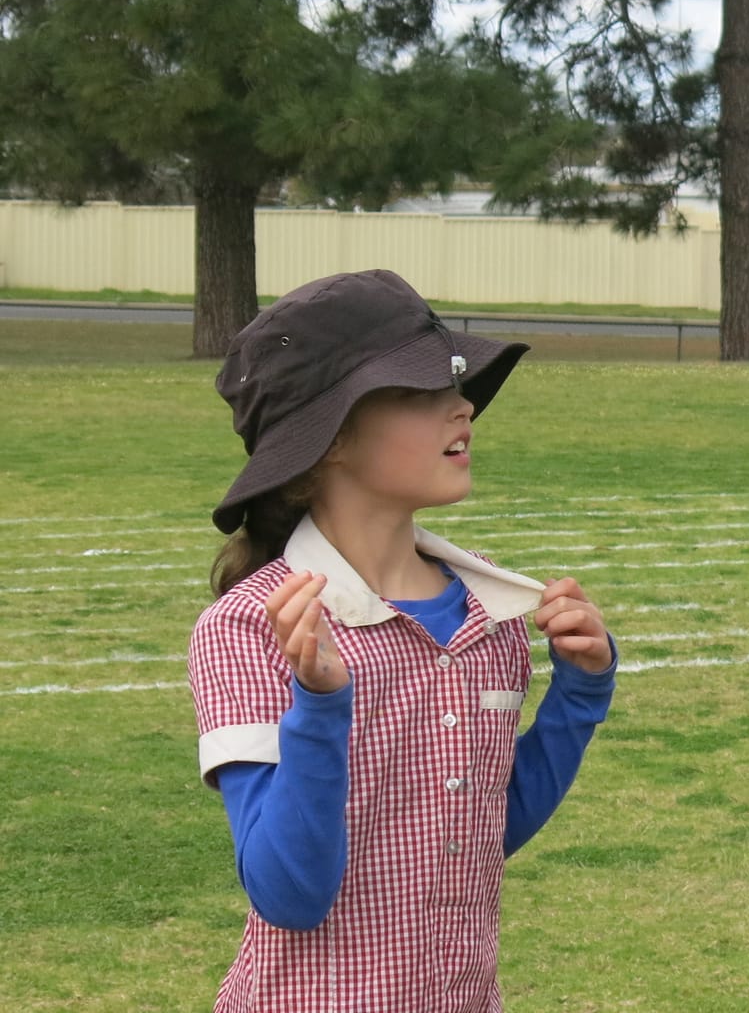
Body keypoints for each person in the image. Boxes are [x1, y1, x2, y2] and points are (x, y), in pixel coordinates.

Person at [187, 269, 618, 1012]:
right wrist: (319, 706)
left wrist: (578, 695)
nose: (463, 407)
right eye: (420, 393)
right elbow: (289, 895)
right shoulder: (248, 627)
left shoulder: (490, 613)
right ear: (328, 441)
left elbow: (478, 833)